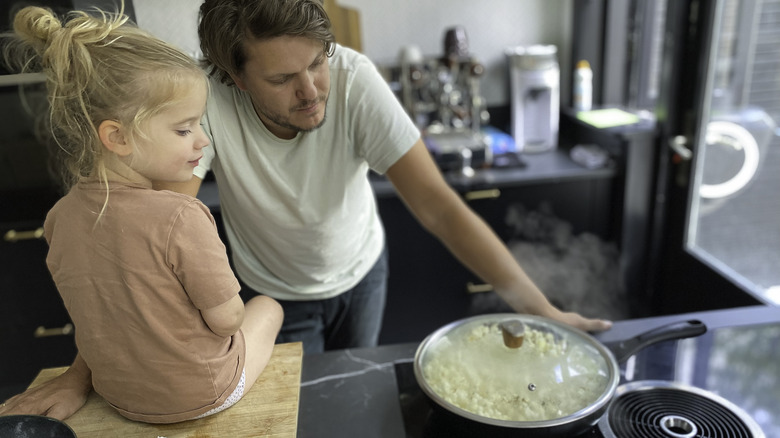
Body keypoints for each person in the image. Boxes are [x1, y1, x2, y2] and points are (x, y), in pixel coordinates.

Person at [0, 0, 610, 421]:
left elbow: (441, 208)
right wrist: (82, 372)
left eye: (319, 61)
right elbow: (136, 257)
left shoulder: (355, 80)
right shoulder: (200, 107)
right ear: (233, 79)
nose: (313, 90)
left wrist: (544, 308)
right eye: (284, 77)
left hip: (362, 274)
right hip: (271, 296)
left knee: (352, 402)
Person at [0, 4, 282, 423]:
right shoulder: (182, 216)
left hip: (122, 400)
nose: (202, 140)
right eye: (184, 129)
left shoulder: (59, 218)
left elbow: (100, 317)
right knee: (269, 306)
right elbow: (226, 321)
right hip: (206, 394)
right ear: (118, 137)